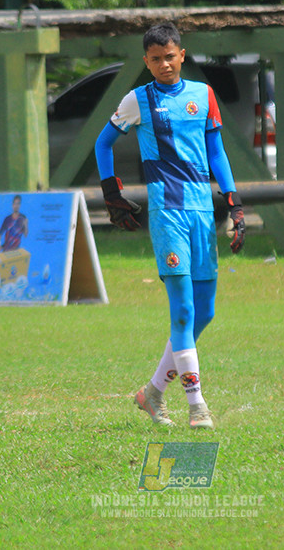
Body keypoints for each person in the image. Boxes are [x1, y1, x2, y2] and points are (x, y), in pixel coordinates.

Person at [94, 22, 246, 430]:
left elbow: (217, 151)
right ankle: (197, 406)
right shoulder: (137, 100)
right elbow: (102, 143)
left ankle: (152, 393)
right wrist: (112, 193)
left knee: (204, 312)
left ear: (182, 54)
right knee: (182, 311)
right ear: (146, 62)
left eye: (170, 56)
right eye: (155, 59)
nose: (164, 64)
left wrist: (234, 205)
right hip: (167, 213)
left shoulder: (203, 95)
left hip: (201, 212)